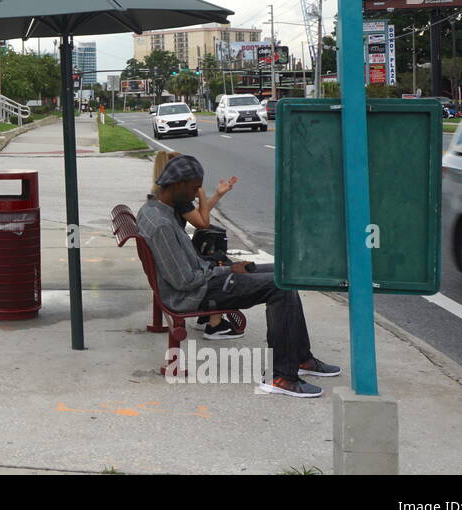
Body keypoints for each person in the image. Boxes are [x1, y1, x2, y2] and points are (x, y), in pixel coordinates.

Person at [137, 154, 341, 398]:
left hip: (201, 283)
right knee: (280, 287)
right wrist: (226, 269)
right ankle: (281, 376)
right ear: (178, 185)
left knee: (282, 274)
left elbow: (186, 269)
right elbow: (184, 281)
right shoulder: (161, 223)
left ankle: (301, 359)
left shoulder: (157, 209)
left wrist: (223, 267)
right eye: (194, 188)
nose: (196, 194)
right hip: (194, 294)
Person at [148, 150, 238, 336]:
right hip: (180, 255)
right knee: (219, 258)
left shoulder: (160, 196)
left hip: (177, 250)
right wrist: (203, 194)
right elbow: (203, 222)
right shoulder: (179, 200)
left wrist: (218, 195)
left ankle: (207, 317)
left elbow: (197, 217)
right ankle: (215, 323)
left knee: (214, 255)